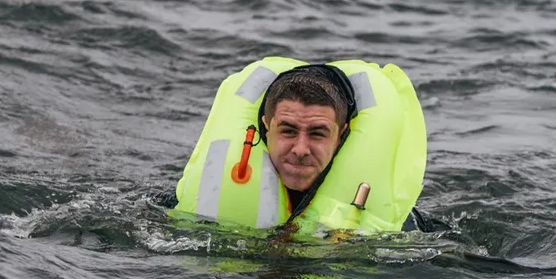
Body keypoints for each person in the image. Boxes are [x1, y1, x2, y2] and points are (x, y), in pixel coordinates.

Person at [166, 57, 438, 236]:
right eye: (288, 130)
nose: (300, 148)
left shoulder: (405, 228)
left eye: (318, 133)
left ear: (341, 136)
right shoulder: (184, 207)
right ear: (266, 128)